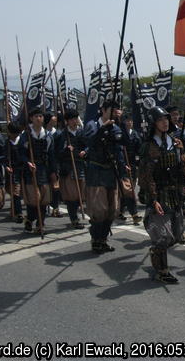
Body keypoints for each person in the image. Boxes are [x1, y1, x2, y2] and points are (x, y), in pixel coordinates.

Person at [139, 107, 185, 283]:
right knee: (163, 236)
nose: (165, 122)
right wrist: (153, 199)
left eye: (167, 119)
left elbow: (184, 168)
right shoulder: (148, 147)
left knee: (177, 234)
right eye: (160, 120)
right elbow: (146, 176)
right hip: (158, 193)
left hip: (175, 193)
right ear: (153, 124)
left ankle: (156, 252)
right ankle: (162, 270)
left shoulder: (176, 142)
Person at [83, 101, 131, 253]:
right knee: (99, 209)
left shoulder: (116, 127)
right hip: (96, 171)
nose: (115, 112)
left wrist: (121, 123)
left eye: (117, 110)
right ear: (103, 110)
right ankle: (96, 238)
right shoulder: (92, 125)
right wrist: (103, 129)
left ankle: (103, 239)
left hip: (112, 172)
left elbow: (124, 144)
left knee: (112, 209)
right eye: (112, 110)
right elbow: (90, 143)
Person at [19, 107, 56, 235]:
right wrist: (28, 162)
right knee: (34, 199)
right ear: (31, 118)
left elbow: (52, 155)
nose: (39, 119)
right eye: (36, 116)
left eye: (41, 116)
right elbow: (21, 154)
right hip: (30, 171)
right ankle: (30, 218)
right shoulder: (26, 135)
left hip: (44, 170)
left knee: (45, 200)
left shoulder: (48, 135)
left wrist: (53, 172)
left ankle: (41, 224)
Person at [54, 109, 86, 230]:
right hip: (68, 168)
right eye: (72, 119)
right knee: (71, 196)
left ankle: (75, 214)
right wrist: (66, 150)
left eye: (76, 118)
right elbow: (56, 153)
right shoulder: (61, 135)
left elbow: (87, 145)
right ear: (67, 121)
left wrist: (85, 151)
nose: (74, 121)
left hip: (80, 166)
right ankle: (74, 219)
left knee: (80, 195)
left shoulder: (81, 132)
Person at [118, 113, 142, 224]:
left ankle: (120, 211)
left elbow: (140, 149)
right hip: (122, 164)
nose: (129, 123)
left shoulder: (135, 134)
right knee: (128, 190)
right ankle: (134, 213)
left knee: (128, 189)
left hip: (133, 164)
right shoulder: (119, 134)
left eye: (131, 121)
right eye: (127, 121)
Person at [45, 111, 63, 217]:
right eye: (53, 117)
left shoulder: (58, 133)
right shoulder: (42, 133)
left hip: (55, 162)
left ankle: (55, 207)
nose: (55, 119)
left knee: (56, 185)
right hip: (43, 163)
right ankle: (46, 206)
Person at [5, 122, 24, 223]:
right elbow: (3, 157)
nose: (14, 135)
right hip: (11, 170)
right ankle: (16, 211)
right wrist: (6, 166)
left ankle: (18, 211)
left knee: (18, 192)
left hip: (22, 169)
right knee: (13, 191)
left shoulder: (22, 141)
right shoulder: (6, 143)